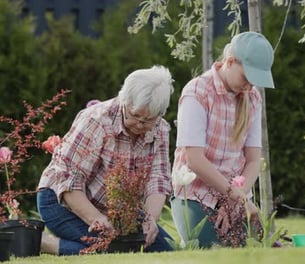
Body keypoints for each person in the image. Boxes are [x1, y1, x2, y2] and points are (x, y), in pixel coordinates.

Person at [37, 65, 175, 255]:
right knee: (115, 251)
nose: (140, 124)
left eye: (148, 120)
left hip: (115, 210)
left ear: (160, 114)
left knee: (164, 251)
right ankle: (45, 244)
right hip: (62, 201)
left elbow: (157, 179)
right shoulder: (96, 120)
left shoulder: (161, 129)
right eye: (135, 115)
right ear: (124, 101)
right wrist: (97, 220)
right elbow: (70, 181)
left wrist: (150, 219)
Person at [170, 31, 275, 248]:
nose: (249, 87)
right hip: (195, 194)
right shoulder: (197, 92)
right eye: (246, 78)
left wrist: (235, 199)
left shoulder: (253, 99)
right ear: (229, 62)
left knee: (249, 247)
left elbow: (253, 161)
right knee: (209, 247)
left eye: (254, 82)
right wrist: (233, 195)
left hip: (235, 196)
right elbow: (194, 160)